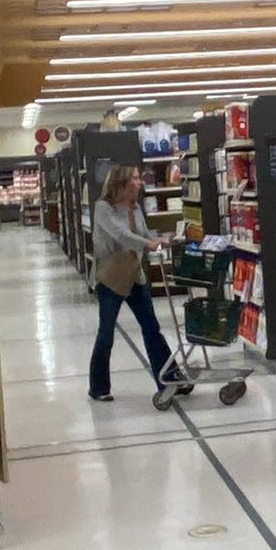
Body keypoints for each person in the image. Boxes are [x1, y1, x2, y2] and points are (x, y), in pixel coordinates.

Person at [88, 164, 183, 402]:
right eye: (136, 178)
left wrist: (160, 239)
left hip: (135, 275)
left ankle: (170, 379)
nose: (140, 182)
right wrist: (147, 243)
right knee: (106, 333)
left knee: (152, 328)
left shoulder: (136, 207)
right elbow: (120, 234)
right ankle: (98, 387)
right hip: (110, 278)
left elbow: (143, 233)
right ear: (121, 183)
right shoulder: (103, 208)